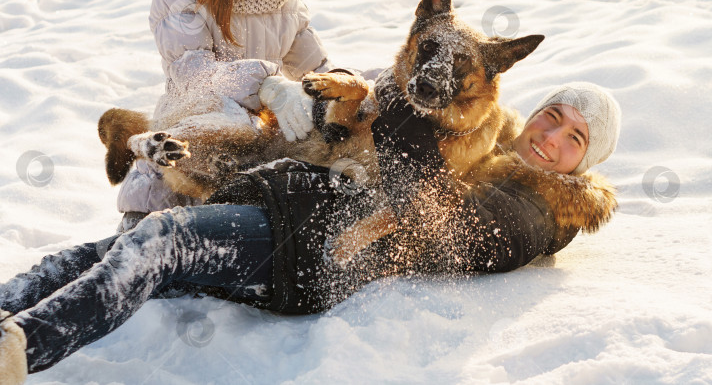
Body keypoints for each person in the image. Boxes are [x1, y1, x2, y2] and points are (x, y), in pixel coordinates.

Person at [0, 82, 621, 383]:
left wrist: (403, 136)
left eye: (575, 140)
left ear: (584, 165)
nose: (550, 138)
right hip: (293, 212)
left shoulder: (537, 213)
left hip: (311, 247)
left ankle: (21, 348)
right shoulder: (477, 140)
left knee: (164, 241)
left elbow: (445, 227)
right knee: (111, 252)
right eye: (553, 116)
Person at [116, 0, 333, 231]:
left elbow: (311, 60)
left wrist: (339, 87)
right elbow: (192, 73)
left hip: (267, 127)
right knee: (164, 227)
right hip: (196, 130)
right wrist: (264, 84)